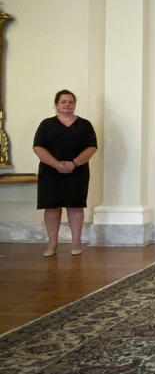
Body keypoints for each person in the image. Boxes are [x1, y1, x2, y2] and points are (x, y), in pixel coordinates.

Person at [33, 90, 98, 257]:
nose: (67, 104)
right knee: (52, 207)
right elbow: (38, 147)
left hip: (77, 171)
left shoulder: (85, 125)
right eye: (63, 102)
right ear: (57, 105)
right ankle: (52, 243)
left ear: (74, 104)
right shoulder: (46, 125)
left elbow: (92, 147)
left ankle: (76, 241)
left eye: (70, 101)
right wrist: (56, 164)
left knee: (75, 206)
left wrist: (74, 163)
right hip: (50, 172)